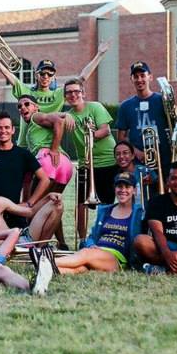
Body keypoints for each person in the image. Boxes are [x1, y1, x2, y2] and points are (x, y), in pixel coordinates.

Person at [0, 42, 108, 147]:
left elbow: (82, 78)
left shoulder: (59, 93)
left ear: (53, 77)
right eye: (42, 73)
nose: (46, 76)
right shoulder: (27, 92)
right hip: (26, 144)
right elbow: (5, 72)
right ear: (36, 75)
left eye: (50, 74)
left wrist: (100, 54)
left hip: (48, 146)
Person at [0, 112, 52, 229]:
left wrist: (29, 203)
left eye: (7, 127)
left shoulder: (23, 154)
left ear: (13, 130)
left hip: (15, 210)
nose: (3, 131)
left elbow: (45, 180)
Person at [55, 172, 144, 274]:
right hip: (97, 251)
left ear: (134, 190)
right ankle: (45, 271)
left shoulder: (139, 213)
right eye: (119, 186)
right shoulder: (106, 211)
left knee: (85, 253)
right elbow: (92, 236)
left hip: (116, 257)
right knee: (81, 269)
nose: (123, 190)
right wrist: (91, 244)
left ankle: (47, 261)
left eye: (127, 187)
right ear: (115, 189)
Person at [14, 94, 74, 247]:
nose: (23, 108)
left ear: (36, 107)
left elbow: (58, 121)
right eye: (19, 106)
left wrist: (53, 149)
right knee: (53, 205)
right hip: (65, 164)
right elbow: (59, 117)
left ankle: (38, 245)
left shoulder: (36, 117)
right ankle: (62, 243)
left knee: (32, 208)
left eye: (27, 104)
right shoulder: (32, 127)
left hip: (48, 160)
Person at [63, 77, 118, 239]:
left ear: (83, 93)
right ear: (65, 97)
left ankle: (106, 237)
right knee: (81, 204)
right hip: (85, 163)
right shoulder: (68, 116)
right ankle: (82, 239)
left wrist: (89, 135)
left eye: (76, 91)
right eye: (69, 93)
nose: (73, 95)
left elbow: (106, 130)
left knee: (107, 204)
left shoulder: (95, 107)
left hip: (107, 161)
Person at [116, 60, 171, 170]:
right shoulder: (125, 106)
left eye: (142, 75)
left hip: (164, 158)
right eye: (136, 76)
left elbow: (171, 127)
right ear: (132, 79)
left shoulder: (162, 100)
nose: (139, 79)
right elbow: (121, 137)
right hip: (138, 161)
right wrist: (136, 152)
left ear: (150, 77)